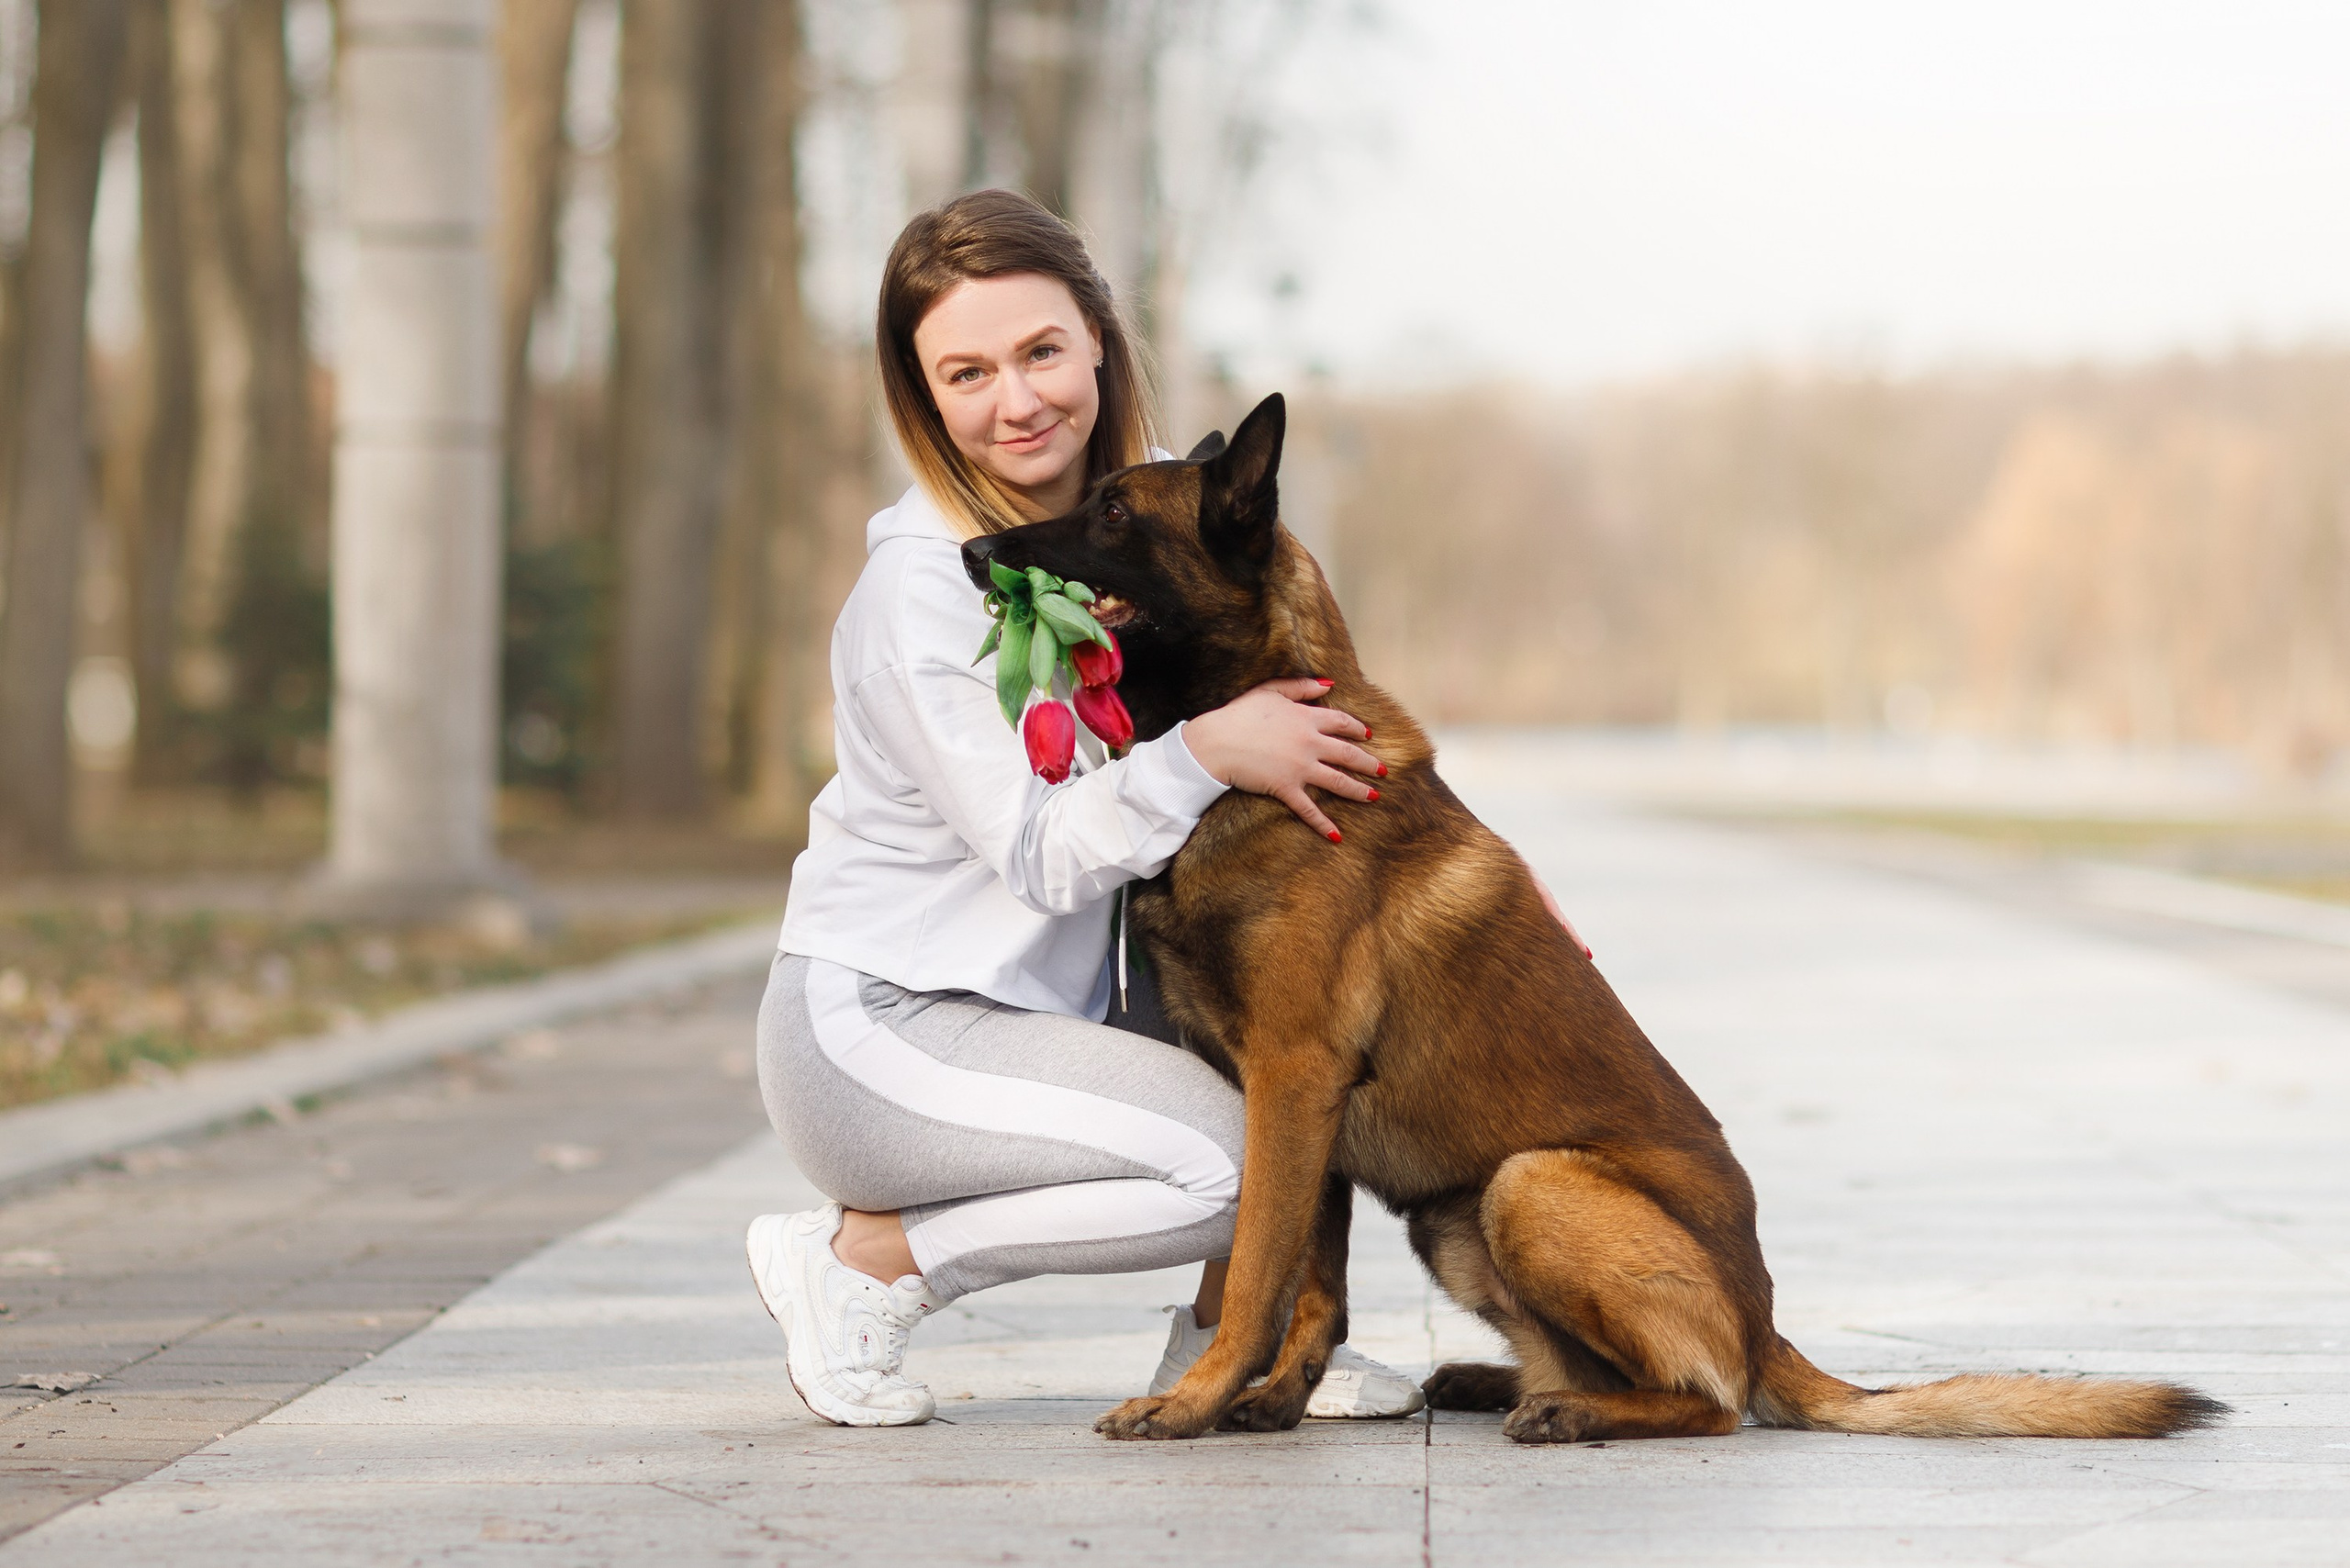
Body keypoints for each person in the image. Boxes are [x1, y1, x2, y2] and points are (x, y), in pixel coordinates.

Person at [744, 188, 1427, 1428]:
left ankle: (1228, 1343)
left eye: (1041, 351)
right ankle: (865, 1264)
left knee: (1289, 1052)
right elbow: (1038, 852)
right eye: (967, 372)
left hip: (1026, 1016)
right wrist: (1211, 748)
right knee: (1235, 1164)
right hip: (883, 1031)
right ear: (924, 396)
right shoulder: (925, 593)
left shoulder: (1126, 540)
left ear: (1099, 342)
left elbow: (1320, 719)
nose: (1017, 399)